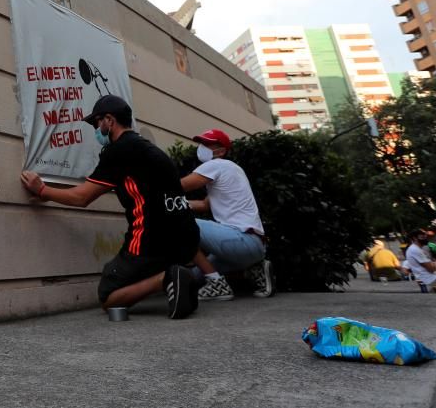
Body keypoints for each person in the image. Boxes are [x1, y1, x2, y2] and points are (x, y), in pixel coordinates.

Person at [20, 95, 201, 319]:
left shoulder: (119, 150)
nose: (96, 129)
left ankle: (167, 278)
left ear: (109, 120)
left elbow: (82, 197)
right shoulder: (152, 151)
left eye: (97, 123)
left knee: (108, 294)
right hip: (186, 241)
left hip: (151, 242)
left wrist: (42, 190)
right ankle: (182, 275)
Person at [180, 129, 273, 301]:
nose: (202, 147)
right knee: (194, 277)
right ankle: (255, 268)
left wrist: (149, 191)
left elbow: (179, 186)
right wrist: (175, 204)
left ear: (221, 151)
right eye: (202, 143)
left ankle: (217, 284)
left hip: (241, 240)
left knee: (178, 224)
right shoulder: (233, 169)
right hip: (253, 245)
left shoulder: (216, 165)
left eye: (208, 144)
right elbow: (204, 205)